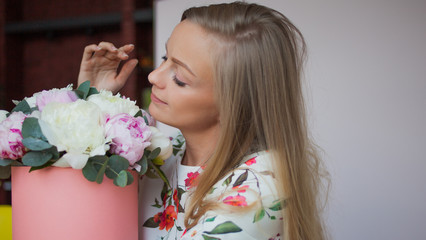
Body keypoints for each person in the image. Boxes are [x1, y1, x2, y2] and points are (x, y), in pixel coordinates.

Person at [78, 2, 328, 240]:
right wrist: (95, 101)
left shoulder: (259, 188)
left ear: (234, 103)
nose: (154, 76)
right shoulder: (165, 151)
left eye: (180, 78)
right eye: (166, 59)